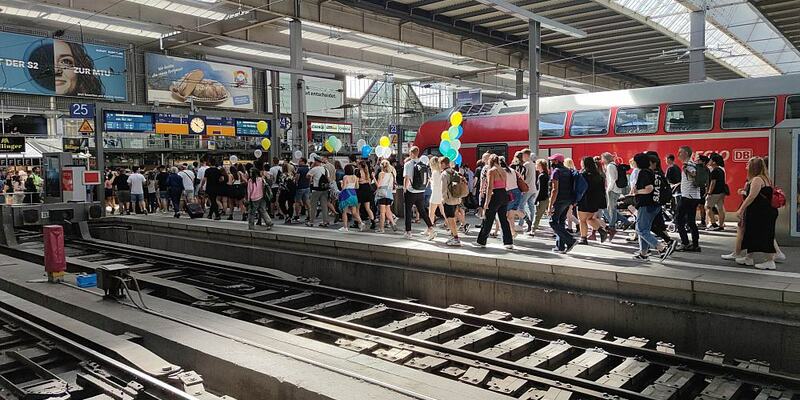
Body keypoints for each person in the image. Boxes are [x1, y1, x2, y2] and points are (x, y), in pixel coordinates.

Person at [735, 157, 778, 270]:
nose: (747, 166)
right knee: (752, 234)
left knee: (764, 235)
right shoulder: (766, 178)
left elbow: (751, 196)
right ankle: (748, 257)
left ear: (753, 167)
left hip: (762, 213)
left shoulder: (757, 180)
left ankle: (770, 261)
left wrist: (741, 209)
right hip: (763, 212)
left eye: (749, 164)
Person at [476, 154, 513, 249]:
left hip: (495, 195)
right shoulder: (504, 171)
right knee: (503, 219)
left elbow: (490, 187)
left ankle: (482, 241)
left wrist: (486, 203)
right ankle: (508, 242)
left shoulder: (491, 171)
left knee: (488, 219)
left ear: (490, 161)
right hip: (504, 194)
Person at [403, 146, 436, 240]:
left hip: (411, 190)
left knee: (408, 211)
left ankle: (408, 232)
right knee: (422, 211)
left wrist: (405, 189)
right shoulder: (423, 164)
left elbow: (406, 178)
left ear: (411, 153)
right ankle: (431, 228)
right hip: (421, 191)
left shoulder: (408, 164)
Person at [548, 154, 577, 253]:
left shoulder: (556, 172)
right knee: (561, 222)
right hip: (567, 200)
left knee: (552, 222)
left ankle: (570, 240)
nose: (551, 163)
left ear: (556, 161)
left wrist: (550, 205)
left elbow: (554, 190)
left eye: (552, 161)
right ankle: (560, 247)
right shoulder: (568, 171)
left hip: (559, 200)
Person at [577, 157, 609, 244]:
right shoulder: (598, 175)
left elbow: (579, 188)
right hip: (595, 201)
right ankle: (602, 231)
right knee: (590, 218)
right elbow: (602, 190)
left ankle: (583, 238)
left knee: (582, 220)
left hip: (585, 199)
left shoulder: (583, 174)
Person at [675, 145, 702, 252]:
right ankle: (695, 244)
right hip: (694, 196)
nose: (678, 154)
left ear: (686, 153)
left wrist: (688, 170)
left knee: (679, 219)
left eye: (680, 152)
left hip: (687, 197)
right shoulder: (692, 164)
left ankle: (685, 243)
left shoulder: (688, 165)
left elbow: (694, 174)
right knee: (691, 221)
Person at [441, 157, 466, 246]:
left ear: (444, 163)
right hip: (456, 199)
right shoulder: (454, 172)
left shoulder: (444, 174)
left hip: (448, 200)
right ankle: (454, 236)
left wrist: (443, 200)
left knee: (450, 219)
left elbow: (443, 188)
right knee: (452, 218)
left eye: (441, 164)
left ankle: (456, 238)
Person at [337, 164, 366, 232]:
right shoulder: (355, 177)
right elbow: (357, 187)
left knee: (344, 211)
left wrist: (341, 184)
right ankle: (361, 222)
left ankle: (345, 227)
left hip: (346, 194)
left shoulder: (345, 177)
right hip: (353, 194)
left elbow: (343, 187)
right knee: (354, 212)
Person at [601, 152, 622, 239]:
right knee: (611, 209)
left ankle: (612, 226)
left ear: (606, 159)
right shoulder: (613, 165)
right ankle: (623, 222)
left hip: (612, 190)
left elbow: (613, 179)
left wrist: (608, 189)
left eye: (603, 158)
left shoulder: (610, 166)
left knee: (611, 209)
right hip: (615, 189)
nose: (602, 160)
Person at [517, 149, 538, 233]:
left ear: (525, 155)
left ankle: (522, 223)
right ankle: (532, 223)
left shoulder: (526, 165)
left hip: (527, 189)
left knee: (520, 206)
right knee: (531, 206)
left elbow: (523, 177)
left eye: (522, 155)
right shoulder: (533, 164)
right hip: (533, 189)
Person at [307, 156, 331, 227]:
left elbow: (307, 176)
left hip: (316, 190)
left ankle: (311, 222)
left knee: (313, 206)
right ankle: (325, 221)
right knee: (324, 206)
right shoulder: (326, 169)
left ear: (316, 162)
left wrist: (312, 167)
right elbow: (328, 179)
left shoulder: (314, 169)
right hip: (324, 190)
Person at [705, 153, 727, 231]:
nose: (709, 162)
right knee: (720, 208)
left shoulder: (714, 171)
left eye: (710, 160)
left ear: (714, 162)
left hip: (715, 193)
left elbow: (713, 183)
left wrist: (709, 193)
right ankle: (721, 225)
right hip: (722, 192)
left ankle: (713, 224)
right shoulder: (721, 170)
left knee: (708, 207)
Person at [375, 160, 397, 233]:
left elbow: (378, 185)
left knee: (382, 212)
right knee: (388, 210)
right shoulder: (391, 174)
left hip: (382, 193)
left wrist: (373, 178)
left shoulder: (381, 174)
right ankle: (393, 223)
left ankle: (381, 229)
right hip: (389, 193)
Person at [531, 159, 550, 235]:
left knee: (538, 214)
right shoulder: (546, 174)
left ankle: (533, 229)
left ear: (540, 166)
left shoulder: (541, 176)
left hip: (542, 198)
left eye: (537, 165)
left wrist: (536, 199)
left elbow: (540, 189)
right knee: (550, 214)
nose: (535, 166)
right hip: (547, 197)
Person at [357, 160, 377, 229]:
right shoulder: (367, 172)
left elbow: (357, 182)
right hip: (367, 189)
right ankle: (373, 222)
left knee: (357, 208)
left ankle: (359, 222)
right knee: (368, 208)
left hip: (361, 189)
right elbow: (369, 181)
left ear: (360, 165)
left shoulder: (358, 172)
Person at [427, 156, 446, 228]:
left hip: (435, 194)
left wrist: (430, 180)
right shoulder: (440, 172)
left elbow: (434, 185)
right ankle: (450, 227)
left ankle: (430, 229)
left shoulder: (434, 172)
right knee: (443, 212)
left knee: (431, 213)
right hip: (440, 194)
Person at [294, 158, 312, 224]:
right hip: (307, 187)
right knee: (307, 201)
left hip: (300, 187)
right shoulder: (308, 169)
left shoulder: (299, 169)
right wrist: (308, 184)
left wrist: (296, 182)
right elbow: (310, 178)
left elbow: (297, 177)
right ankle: (309, 216)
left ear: (303, 162)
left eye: (299, 161)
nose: (298, 162)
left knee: (297, 202)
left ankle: (297, 216)